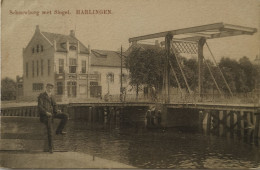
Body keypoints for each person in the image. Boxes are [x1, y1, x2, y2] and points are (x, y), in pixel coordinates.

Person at [38, 83, 68, 153]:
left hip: (52, 114)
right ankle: (51, 148)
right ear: (46, 88)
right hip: (45, 116)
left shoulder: (52, 96)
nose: (50, 89)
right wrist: (46, 112)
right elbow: (40, 107)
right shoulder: (41, 96)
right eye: (48, 88)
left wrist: (57, 111)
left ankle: (59, 131)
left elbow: (55, 105)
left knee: (65, 116)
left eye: (51, 88)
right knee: (50, 130)